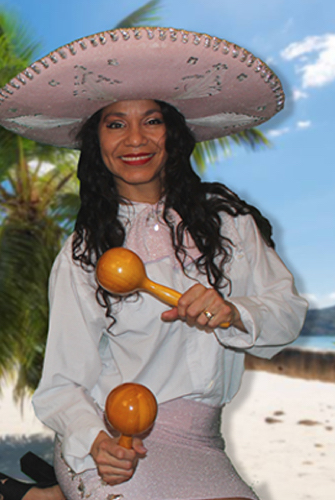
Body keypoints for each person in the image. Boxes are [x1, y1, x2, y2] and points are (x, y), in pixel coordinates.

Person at [0, 27, 306, 500]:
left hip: (203, 442)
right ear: (95, 141)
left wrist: (233, 312)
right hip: (113, 440)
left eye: (153, 120)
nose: (136, 139)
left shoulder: (229, 223)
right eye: (115, 123)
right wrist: (96, 443)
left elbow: (286, 315)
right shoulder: (83, 254)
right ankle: (60, 486)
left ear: (175, 133)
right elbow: (61, 385)